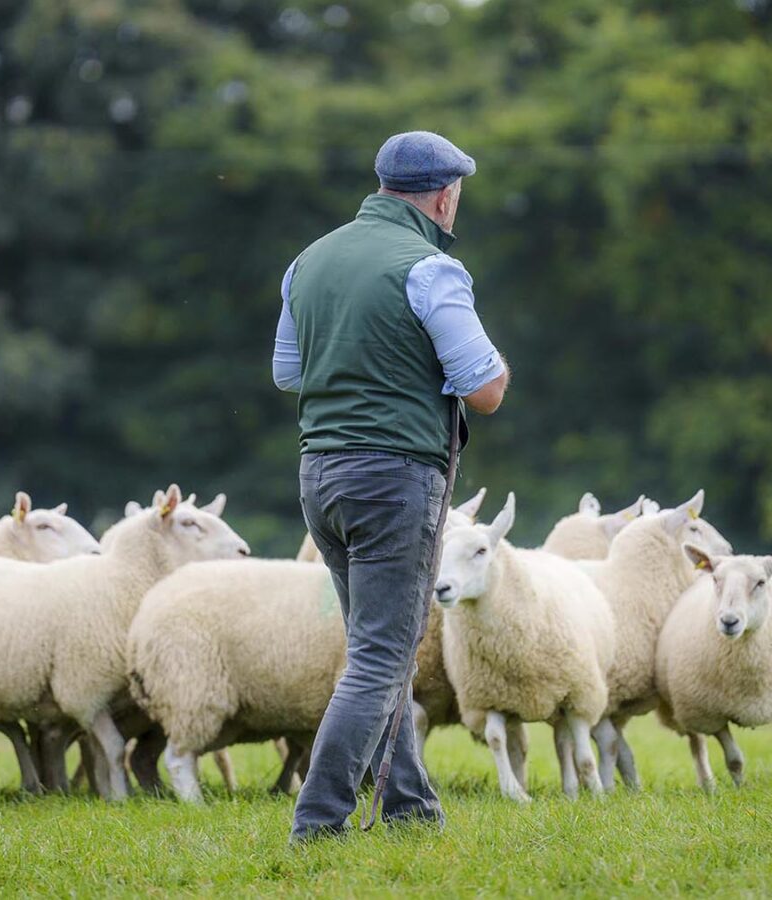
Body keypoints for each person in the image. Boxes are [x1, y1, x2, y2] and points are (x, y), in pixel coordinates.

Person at [272, 131, 509, 842]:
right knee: (381, 656)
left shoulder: (308, 261)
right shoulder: (431, 269)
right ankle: (317, 823)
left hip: (319, 474)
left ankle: (409, 807)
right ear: (444, 196)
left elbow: (289, 373)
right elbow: (486, 387)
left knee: (379, 648)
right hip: (394, 476)